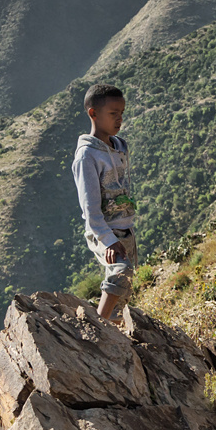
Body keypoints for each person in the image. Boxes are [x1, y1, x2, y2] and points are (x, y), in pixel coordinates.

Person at [73, 83, 137, 324]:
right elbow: (90, 209)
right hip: (103, 232)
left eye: (122, 112)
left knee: (124, 291)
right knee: (121, 273)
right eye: (113, 114)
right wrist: (108, 240)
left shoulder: (118, 146)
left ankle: (114, 332)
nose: (120, 119)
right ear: (93, 113)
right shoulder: (87, 156)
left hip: (125, 229)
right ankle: (98, 327)